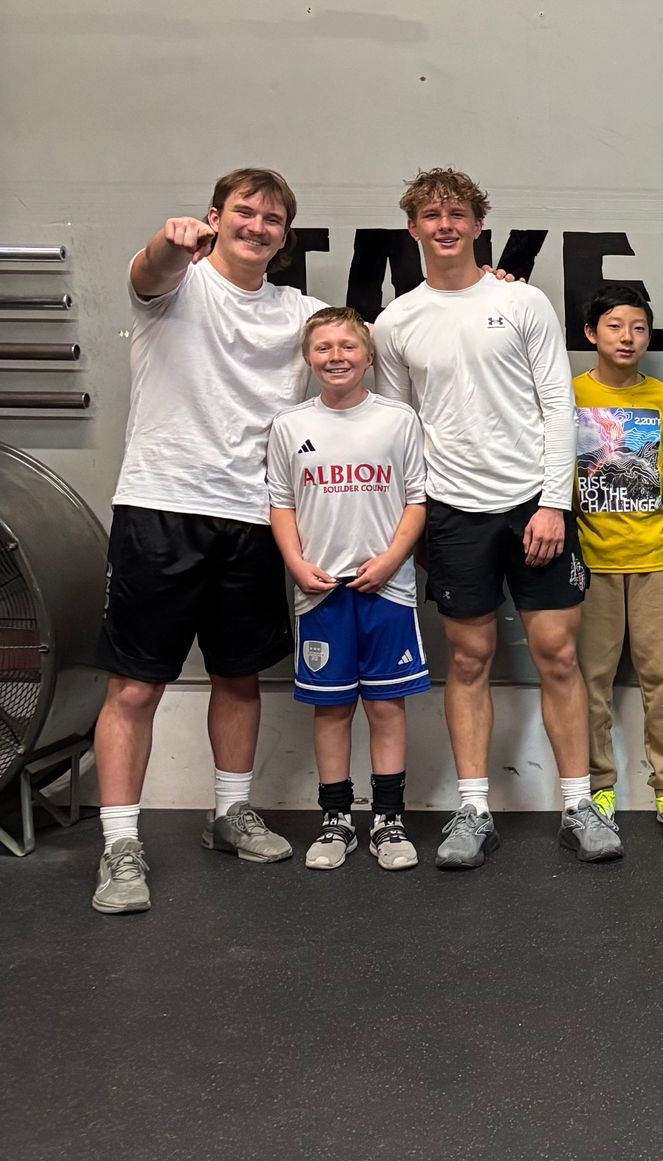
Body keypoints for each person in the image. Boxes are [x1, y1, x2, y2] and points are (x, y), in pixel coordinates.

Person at [90, 169, 327, 916]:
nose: (257, 225)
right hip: (161, 506)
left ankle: (229, 813)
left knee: (237, 676)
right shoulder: (177, 283)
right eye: (245, 212)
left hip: (254, 517)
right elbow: (147, 269)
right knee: (134, 685)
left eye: (273, 218)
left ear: (285, 237)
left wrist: (482, 284)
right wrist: (168, 242)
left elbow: (377, 337)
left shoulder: (299, 311)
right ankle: (120, 842)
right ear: (214, 218)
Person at [374, 168, 621, 867]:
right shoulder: (397, 322)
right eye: (431, 214)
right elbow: (401, 430)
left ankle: (579, 803)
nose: (445, 224)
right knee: (470, 658)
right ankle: (474, 807)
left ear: (478, 225)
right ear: (414, 227)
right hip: (454, 514)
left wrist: (552, 502)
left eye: (457, 213)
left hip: (533, 509)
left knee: (559, 655)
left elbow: (557, 408)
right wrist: (416, 522)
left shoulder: (524, 302)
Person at [267, 308, 430, 870]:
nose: (336, 357)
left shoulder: (398, 419)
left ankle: (388, 819)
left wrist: (389, 561)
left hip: (386, 592)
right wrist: (294, 562)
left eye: (347, 346)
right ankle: (336, 821)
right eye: (323, 348)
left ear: (368, 355)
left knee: (386, 706)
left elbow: (417, 499)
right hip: (320, 594)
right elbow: (281, 503)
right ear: (309, 359)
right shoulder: (291, 425)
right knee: (332, 711)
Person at [572, 283, 663, 837]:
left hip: (656, 560)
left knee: (662, 680)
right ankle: (597, 788)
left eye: (639, 327)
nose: (628, 337)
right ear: (591, 334)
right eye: (616, 326)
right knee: (590, 682)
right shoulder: (566, 393)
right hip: (589, 563)